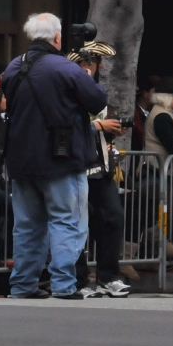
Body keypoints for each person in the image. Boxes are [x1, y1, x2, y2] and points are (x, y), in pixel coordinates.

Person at [1, 13, 107, 300]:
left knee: (26, 226)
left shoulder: (14, 67)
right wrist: (88, 77)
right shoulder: (66, 68)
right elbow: (97, 100)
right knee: (66, 221)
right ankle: (63, 284)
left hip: (21, 160)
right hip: (60, 159)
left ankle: (23, 285)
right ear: (57, 37)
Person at [67, 42, 131, 298]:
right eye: (82, 63)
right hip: (75, 168)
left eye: (91, 63)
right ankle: (79, 280)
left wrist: (113, 128)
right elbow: (70, 126)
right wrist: (99, 126)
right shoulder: (66, 92)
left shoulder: (99, 93)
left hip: (101, 167)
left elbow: (103, 128)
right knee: (78, 223)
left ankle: (108, 277)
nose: (87, 68)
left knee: (113, 217)